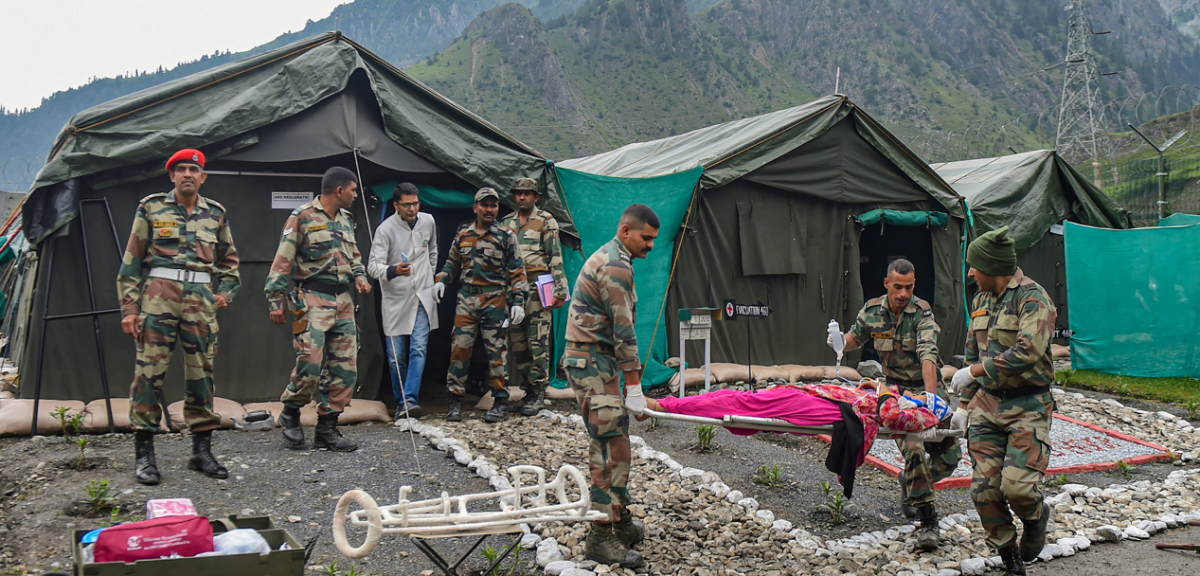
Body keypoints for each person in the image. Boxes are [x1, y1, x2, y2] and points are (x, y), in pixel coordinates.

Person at [116, 148, 240, 485]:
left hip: (200, 301)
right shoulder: (152, 207)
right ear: (172, 176)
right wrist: (130, 309)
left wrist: (224, 293)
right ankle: (145, 455)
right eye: (181, 169)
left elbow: (230, 263)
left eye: (193, 170)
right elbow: (130, 264)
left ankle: (201, 451)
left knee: (202, 374)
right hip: (159, 297)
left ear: (203, 177)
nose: (187, 174)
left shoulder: (215, 213)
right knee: (149, 374)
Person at [947, 226, 1057, 576]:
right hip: (987, 404)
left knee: (1018, 488)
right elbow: (971, 354)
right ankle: (1009, 558)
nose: (969, 273)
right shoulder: (980, 301)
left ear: (992, 267)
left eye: (974, 266)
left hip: (1028, 405)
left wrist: (976, 371)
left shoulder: (1033, 299)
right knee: (984, 489)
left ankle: (1036, 516)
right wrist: (963, 406)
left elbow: (1028, 351)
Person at [831, 258, 961, 551]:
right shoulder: (873, 311)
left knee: (950, 456)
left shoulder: (922, 313)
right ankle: (928, 522)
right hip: (896, 394)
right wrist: (840, 342)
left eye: (909, 287)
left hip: (928, 390)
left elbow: (928, 356)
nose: (903, 293)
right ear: (887, 284)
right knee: (914, 447)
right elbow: (855, 337)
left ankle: (909, 480)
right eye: (898, 287)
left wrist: (929, 405)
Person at [562, 204, 659, 568]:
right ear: (625, 231)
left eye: (653, 239)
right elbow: (623, 332)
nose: (650, 245)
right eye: (645, 238)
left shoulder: (620, 259)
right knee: (606, 445)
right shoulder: (616, 266)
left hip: (596, 362)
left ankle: (619, 520)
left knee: (617, 441)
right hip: (591, 363)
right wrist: (634, 386)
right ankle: (600, 535)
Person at [265, 166, 372, 452]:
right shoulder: (301, 217)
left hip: (343, 301)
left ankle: (327, 427)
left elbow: (355, 256)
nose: (355, 195)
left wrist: (360, 276)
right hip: (311, 298)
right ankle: (290, 412)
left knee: (345, 367)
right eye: (352, 190)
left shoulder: (347, 219)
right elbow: (283, 260)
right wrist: (275, 300)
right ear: (339, 190)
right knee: (310, 364)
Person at [435, 188, 528, 423]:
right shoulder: (463, 233)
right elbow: (452, 262)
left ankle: (500, 402)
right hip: (466, 300)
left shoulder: (506, 235)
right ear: (475, 207)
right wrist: (441, 280)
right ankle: (455, 402)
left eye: (493, 205)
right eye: (484, 205)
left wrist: (518, 301)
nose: (489, 209)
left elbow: (518, 271)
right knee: (459, 351)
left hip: (494, 300)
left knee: (496, 354)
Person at [368, 183, 439, 421]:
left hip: (422, 296)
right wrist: (393, 270)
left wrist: (428, 274)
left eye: (416, 203)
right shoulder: (385, 229)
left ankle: (410, 400)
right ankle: (400, 401)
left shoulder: (428, 221)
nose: (412, 208)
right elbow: (372, 267)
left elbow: (433, 250)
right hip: (396, 299)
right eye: (407, 204)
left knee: (419, 348)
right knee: (396, 355)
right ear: (396, 205)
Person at [500, 177, 569, 417]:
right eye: (518, 193)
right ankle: (528, 389)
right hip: (513, 290)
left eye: (527, 193)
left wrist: (560, 290)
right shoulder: (505, 222)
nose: (522, 197)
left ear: (535, 197)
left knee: (537, 341)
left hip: (538, 288)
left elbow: (555, 256)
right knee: (518, 343)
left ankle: (539, 391)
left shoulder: (545, 220)